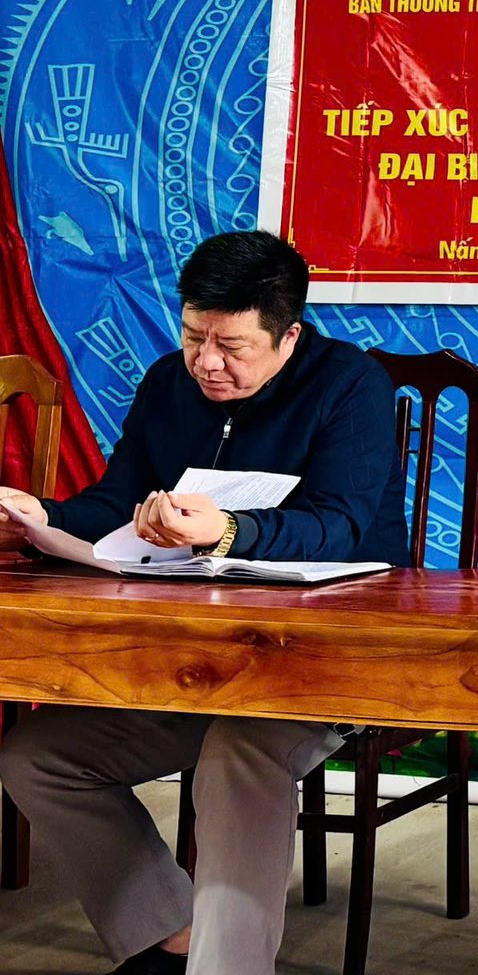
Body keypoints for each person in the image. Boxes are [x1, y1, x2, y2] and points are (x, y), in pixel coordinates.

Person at [0, 230, 400, 975]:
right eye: (193, 337)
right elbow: (115, 503)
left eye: (231, 346)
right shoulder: (167, 383)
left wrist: (229, 530)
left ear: (288, 336)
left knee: (235, 755)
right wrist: (40, 516)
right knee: (37, 758)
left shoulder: (351, 386)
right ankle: (171, 937)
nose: (206, 362)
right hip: (191, 659)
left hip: (322, 662)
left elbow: (340, 525)